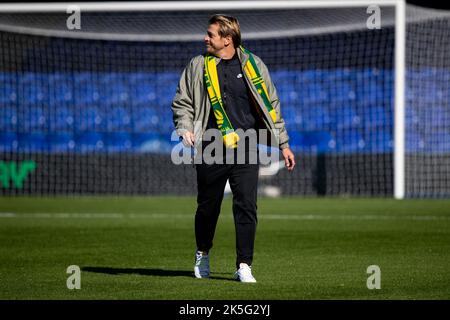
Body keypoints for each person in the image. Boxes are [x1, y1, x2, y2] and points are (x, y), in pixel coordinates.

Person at [172, 14, 295, 283]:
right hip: (210, 145)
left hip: (246, 145)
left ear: (227, 39)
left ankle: (244, 265)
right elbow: (182, 102)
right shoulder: (197, 65)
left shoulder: (254, 65)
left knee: (247, 206)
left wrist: (283, 144)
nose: (205, 38)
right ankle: (202, 252)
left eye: (211, 34)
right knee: (208, 207)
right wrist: (185, 127)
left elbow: (271, 108)